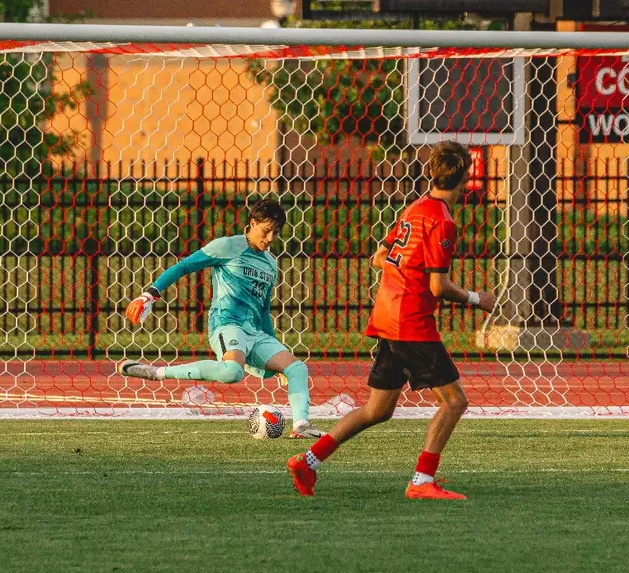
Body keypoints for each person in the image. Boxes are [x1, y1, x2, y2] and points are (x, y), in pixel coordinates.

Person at [288, 141, 494, 500]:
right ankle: (421, 481)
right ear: (465, 179)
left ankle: (308, 461)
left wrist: (406, 273)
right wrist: (478, 299)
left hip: (387, 314)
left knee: (377, 409)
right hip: (411, 320)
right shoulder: (442, 221)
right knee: (454, 402)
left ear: (431, 173)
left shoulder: (415, 208)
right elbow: (438, 285)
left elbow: (379, 257)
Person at [120, 198, 318, 437]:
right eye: (266, 231)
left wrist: (277, 361)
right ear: (252, 223)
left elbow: (264, 311)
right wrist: (150, 294)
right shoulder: (227, 246)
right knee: (232, 372)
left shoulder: (270, 264)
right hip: (227, 325)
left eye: (275, 233)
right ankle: (157, 373)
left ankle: (301, 426)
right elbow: (184, 266)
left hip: (255, 333)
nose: (269, 239)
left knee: (296, 369)